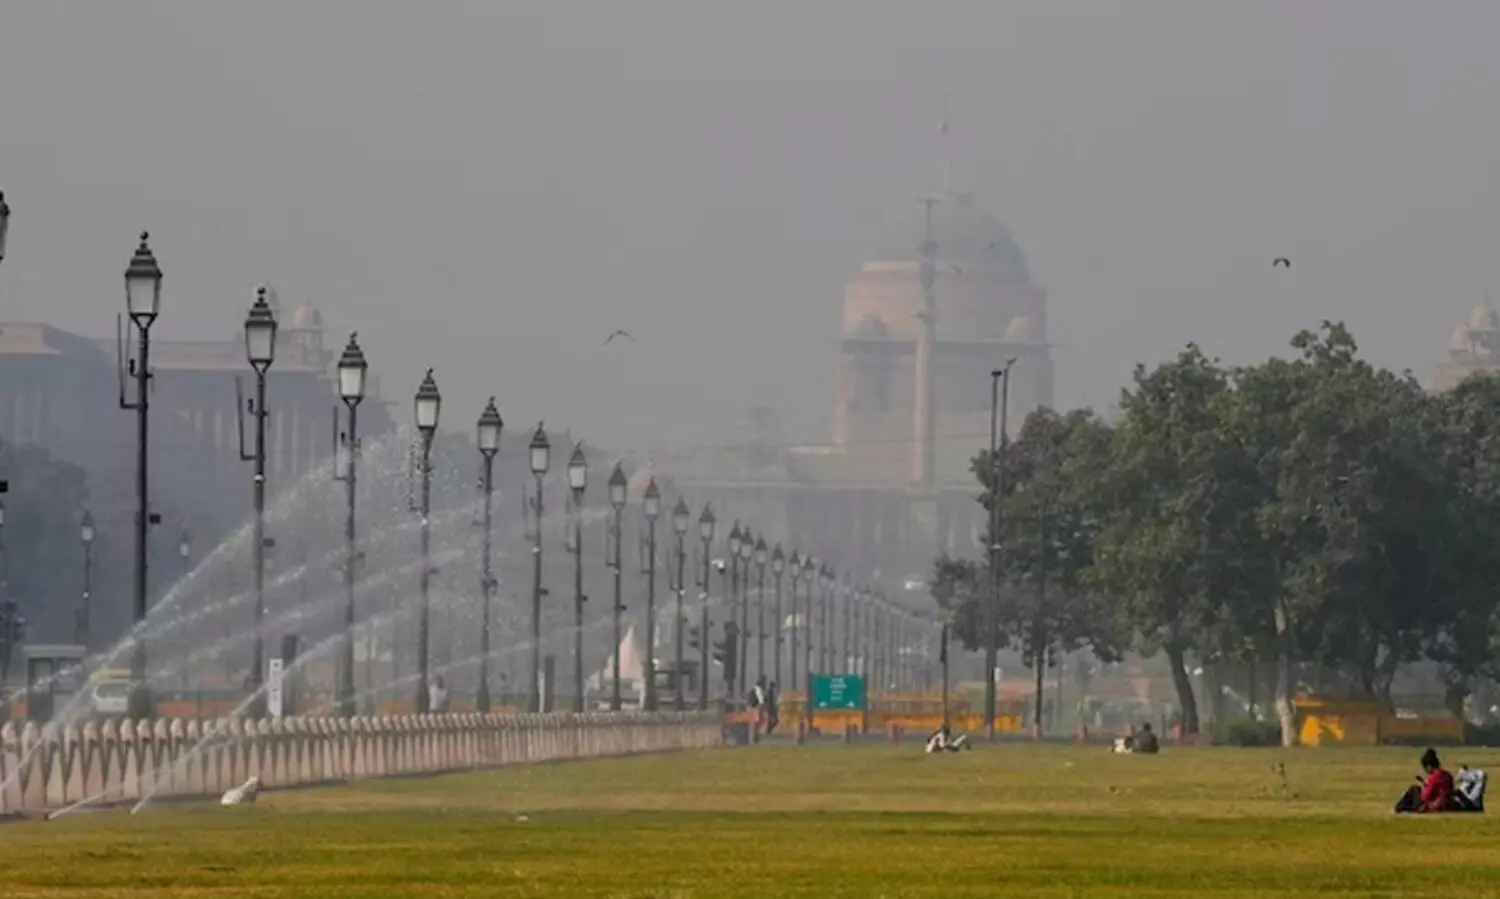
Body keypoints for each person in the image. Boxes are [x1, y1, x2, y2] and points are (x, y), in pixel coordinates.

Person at [1395, 748, 1456, 813]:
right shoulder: (1448, 775)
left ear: (1429, 766)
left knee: (1414, 789)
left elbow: (1425, 797)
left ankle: (1399, 807)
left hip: (1433, 805)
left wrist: (1424, 787)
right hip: (1447, 803)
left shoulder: (1434, 777)